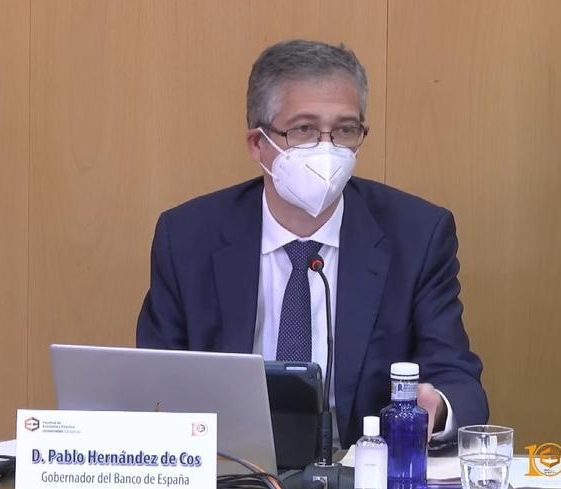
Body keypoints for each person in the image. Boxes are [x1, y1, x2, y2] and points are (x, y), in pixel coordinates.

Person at [137, 39, 488, 448]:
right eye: (303, 130)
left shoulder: (416, 234)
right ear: (258, 144)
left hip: (359, 466)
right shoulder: (188, 237)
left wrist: (437, 407)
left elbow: (457, 379)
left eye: (345, 130)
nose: (327, 149)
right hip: (228, 464)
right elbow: (154, 381)